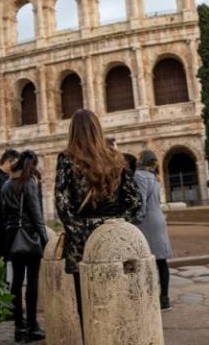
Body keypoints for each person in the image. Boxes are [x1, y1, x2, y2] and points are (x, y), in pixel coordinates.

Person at [55, 109, 142, 328]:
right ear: (98, 129)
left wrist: (85, 236)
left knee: (90, 311)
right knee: (118, 308)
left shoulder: (67, 159)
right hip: (116, 243)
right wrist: (117, 228)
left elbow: (63, 205)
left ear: (73, 131)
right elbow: (135, 201)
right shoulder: (116, 158)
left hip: (82, 246)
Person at [2, 150, 47, 342]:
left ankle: (18, 327)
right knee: (33, 281)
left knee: (16, 281)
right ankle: (32, 325)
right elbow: (36, 215)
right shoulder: (28, 183)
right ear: (33, 165)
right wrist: (45, 238)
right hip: (29, 235)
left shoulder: (6, 185)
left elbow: (4, 213)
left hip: (13, 236)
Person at [133, 150, 173, 311]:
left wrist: (136, 219)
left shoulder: (139, 176)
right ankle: (165, 299)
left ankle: (148, 298)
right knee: (161, 261)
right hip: (159, 220)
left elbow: (141, 201)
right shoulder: (155, 177)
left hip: (147, 221)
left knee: (145, 260)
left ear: (141, 160)